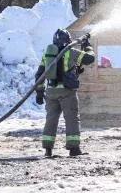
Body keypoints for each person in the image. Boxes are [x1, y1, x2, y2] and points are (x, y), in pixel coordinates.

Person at [34, 29, 95, 158]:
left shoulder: (47, 54)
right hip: (67, 92)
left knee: (51, 119)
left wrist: (39, 92)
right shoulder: (71, 52)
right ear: (67, 40)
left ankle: (48, 149)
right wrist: (87, 46)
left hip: (51, 92)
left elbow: (40, 74)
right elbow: (90, 58)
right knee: (71, 119)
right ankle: (74, 149)